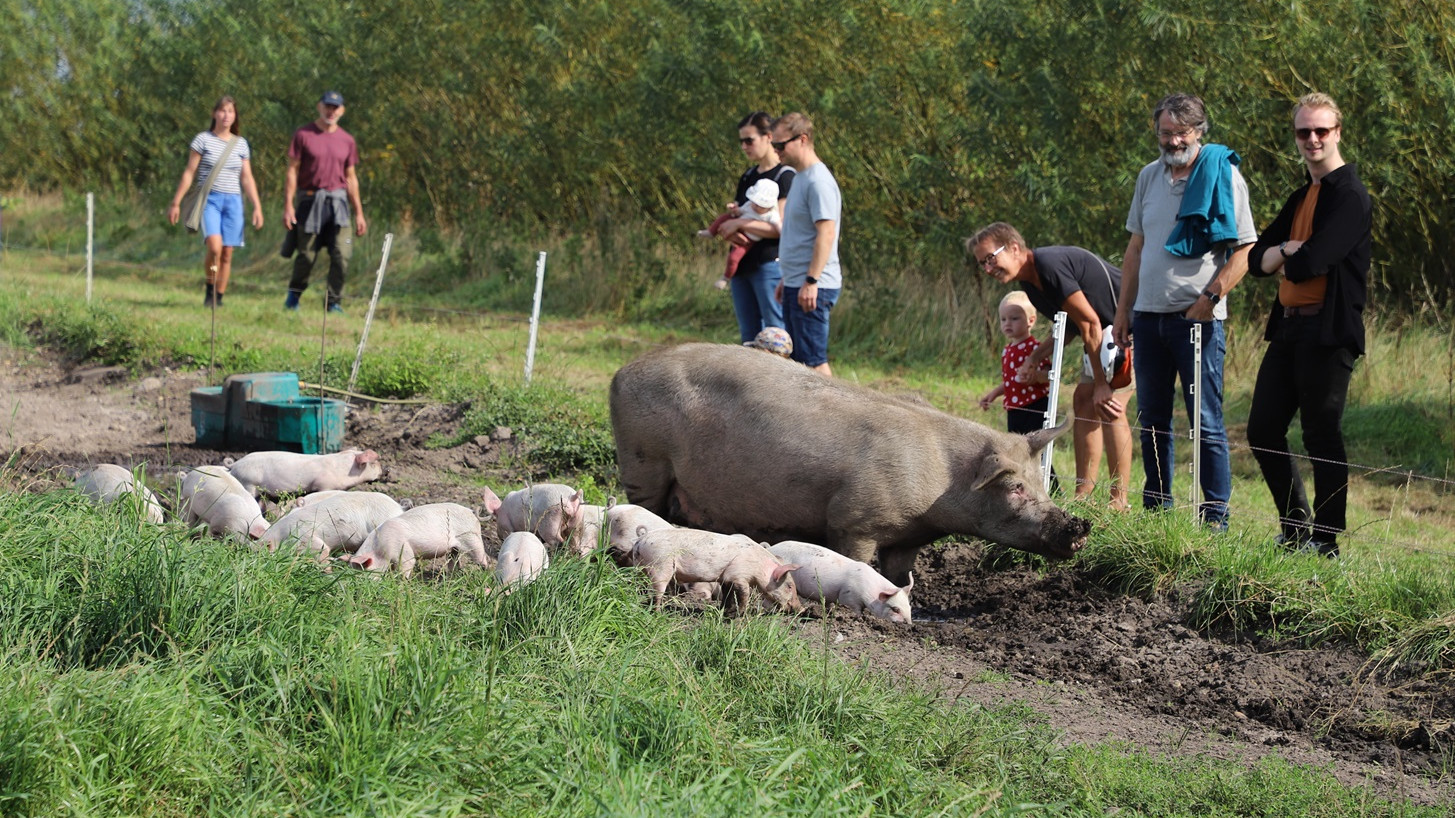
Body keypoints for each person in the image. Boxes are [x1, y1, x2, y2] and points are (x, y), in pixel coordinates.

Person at [1112, 93, 1256, 528]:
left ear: (1199, 132)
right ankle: (1157, 514)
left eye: (1182, 132)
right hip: (1148, 317)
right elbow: (1136, 247)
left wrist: (1207, 301)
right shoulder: (1148, 177)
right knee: (1152, 420)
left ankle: (1215, 521)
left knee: (1206, 422)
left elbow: (1245, 249)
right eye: (1166, 132)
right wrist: (1123, 312)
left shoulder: (1223, 174)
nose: (1174, 141)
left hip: (1197, 323)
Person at [1245, 93, 1370, 558]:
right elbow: (1258, 258)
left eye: (1321, 131)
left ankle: (1326, 540)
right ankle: (1295, 526)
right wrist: (1284, 252)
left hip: (1328, 332)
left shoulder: (1351, 197)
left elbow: (1312, 263)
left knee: (1321, 434)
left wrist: (1290, 254)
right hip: (1289, 329)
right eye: (1303, 132)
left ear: (1337, 132)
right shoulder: (1302, 195)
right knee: (1262, 430)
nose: (1312, 139)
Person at [970, 223, 1132, 508]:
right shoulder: (1030, 283)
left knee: (1110, 405)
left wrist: (1102, 384)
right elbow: (1067, 327)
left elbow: (1089, 322)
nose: (987, 268)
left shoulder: (1048, 265)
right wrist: (1034, 357)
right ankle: (1084, 496)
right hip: (1101, 338)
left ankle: (1119, 501)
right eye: (982, 263)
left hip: (1128, 327)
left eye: (990, 258)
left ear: (1014, 248)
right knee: (1083, 402)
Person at [166, 95, 264, 307]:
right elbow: (189, 172)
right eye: (222, 110)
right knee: (215, 247)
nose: (226, 115)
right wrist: (176, 202)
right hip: (210, 200)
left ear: (235, 116)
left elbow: (247, 177)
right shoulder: (203, 140)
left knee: (228, 253)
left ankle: (218, 297)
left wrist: (257, 206)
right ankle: (209, 288)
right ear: (214, 113)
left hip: (234, 202)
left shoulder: (241, 144)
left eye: (230, 111)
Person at [710, 112, 795, 343]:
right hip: (742, 266)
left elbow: (781, 228)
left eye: (749, 140)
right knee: (748, 337)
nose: (744, 147)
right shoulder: (748, 176)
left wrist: (740, 223)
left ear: (768, 137)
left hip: (769, 264)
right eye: (741, 142)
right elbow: (740, 212)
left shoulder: (785, 176)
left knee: (776, 336)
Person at [282, 90, 367, 313]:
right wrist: (288, 206)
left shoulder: (347, 140)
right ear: (320, 107)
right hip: (310, 202)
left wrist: (359, 212)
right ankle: (293, 298)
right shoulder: (303, 135)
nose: (331, 111)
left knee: (342, 255)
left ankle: (333, 303)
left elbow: (351, 177)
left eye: (335, 107)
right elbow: (292, 171)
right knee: (306, 256)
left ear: (342, 110)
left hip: (338, 205)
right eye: (327, 106)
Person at [771, 112, 842, 376]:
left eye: (780, 145)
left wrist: (811, 280)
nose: (776, 151)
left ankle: (835, 416)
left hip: (814, 286)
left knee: (814, 363)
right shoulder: (800, 177)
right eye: (773, 146)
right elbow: (799, 235)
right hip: (796, 281)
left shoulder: (818, 181)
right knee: (799, 362)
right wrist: (787, 278)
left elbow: (826, 233)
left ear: (802, 139)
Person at [698, 178, 781, 290]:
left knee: (733, 258)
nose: (756, 207)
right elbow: (740, 211)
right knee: (724, 218)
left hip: (748, 239)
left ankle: (725, 278)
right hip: (738, 229)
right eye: (755, 203)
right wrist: (734, 210)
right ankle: (711, 232)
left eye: (761, 205)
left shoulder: (772, 215)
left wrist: (784, 234)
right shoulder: (748, 205)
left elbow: (778, 227)